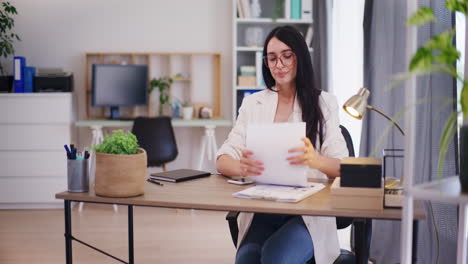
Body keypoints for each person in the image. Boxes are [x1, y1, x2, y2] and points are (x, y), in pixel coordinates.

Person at [216, 26, 348, 264]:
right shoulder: (252, 103)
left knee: (275, 257)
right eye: (272, 58)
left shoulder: (324, 103)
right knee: (246, 259)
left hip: (308, 214)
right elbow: (223, 158)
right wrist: (242, 168)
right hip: (263, 209)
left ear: (300, 57)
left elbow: (343, 167)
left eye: (287, 56)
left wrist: (314, 159)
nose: (279, 64)